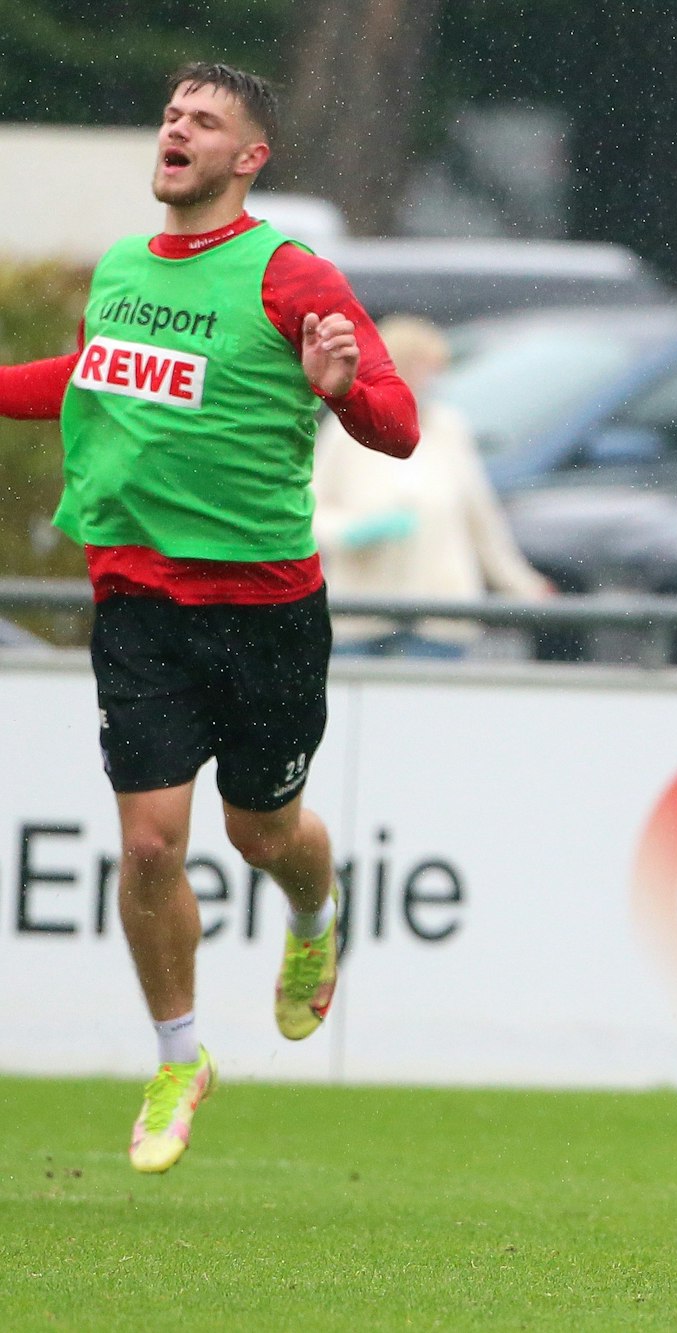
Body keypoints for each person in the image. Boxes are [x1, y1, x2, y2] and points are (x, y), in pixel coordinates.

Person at [0, 63, 418, 1173]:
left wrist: (340, 389)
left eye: (205, 119)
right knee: (148, 842)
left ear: (249, 157)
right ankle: (179, 1057)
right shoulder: (123, 266)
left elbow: (400, 424)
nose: (176, 128)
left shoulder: (291, 275)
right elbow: (89, 379)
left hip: (265, 608)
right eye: (171, 113)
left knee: (261, 834)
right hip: (139, 600)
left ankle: (315, 922)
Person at [314, 313, 551, 657]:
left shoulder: (450, 428)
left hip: (440, 615)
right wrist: (351, 532)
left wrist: (525, 587)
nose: (435, 381)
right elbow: (310, 508)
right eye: (428, 369)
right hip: (363, 612)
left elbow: (481, 522)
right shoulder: (346, 428)